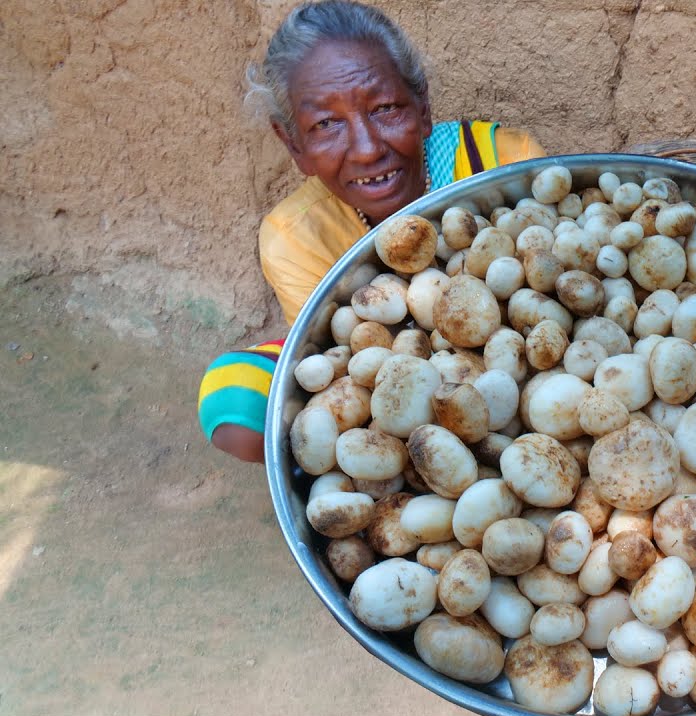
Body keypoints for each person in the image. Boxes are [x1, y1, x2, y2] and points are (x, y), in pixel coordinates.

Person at [198, 0, 545, 463]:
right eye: (325, 124)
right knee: (234, 404)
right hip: (384, 376)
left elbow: (546, 284)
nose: (365, 149)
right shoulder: (297, 235)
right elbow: (339, 358)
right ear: (293, 144)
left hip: (521, 345)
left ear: (422, 107)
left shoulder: (500, 163)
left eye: (385, 108)